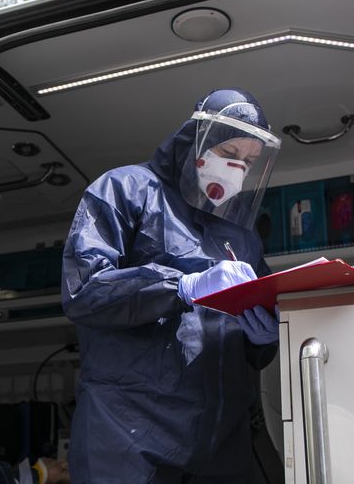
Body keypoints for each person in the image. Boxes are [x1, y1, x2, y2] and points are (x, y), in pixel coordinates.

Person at [61, 88, 282, 483]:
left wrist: (264, 338)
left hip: (220, 442)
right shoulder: (126, 190)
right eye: (229, 153)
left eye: (249, 162)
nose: (237, 168)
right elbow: (84, 290)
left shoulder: (240, 235)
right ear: (196, 141)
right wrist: (180, 287)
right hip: (128, 436)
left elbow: (252, 338)